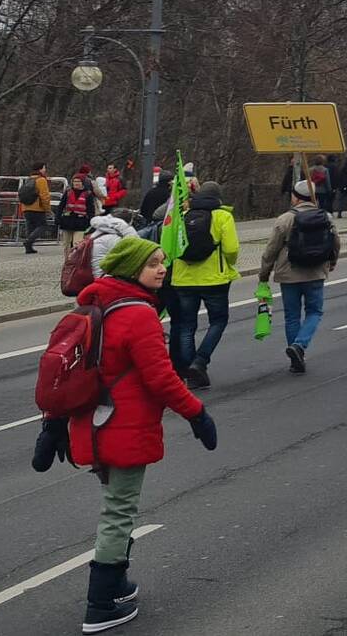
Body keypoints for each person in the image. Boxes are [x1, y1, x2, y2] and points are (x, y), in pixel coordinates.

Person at [59, 236, 218, 633]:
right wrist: (196, 413)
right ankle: (100, 604)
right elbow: (162, 378)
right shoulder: (139, 315)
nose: (162, 269)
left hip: (92, 425)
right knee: (118, 511)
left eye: (163, 262)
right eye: (153, 264)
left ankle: (117, 582)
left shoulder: (95, 302)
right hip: (123, 427)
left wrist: (53, 422)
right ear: (132, 270)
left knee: (117, 504)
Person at [259, 180, 340, 375]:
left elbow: (271, 249)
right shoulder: (326, 217)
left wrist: (264, 273)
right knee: (314, 312)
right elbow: (335, 242)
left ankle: (296, 356)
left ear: (295, 197)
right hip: (316, 272)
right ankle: (300, 345)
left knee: (292, 316)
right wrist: (332, 262)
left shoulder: (285, 219)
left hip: (289, 274)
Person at [167, 181, 239, 390]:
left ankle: (190, 369)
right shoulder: (223, 216)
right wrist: (229, 263)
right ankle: (200, 362)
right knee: (218, 320)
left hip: (183, 279)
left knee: (187, 326)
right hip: (214, 279)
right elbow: (232, 248)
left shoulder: (181, 215)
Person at [86, 209, 140, 279]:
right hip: (104, 278)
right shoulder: (114, 238)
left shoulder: (99, 232)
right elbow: (133, 252)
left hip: (95, 274)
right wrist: (128, 230)